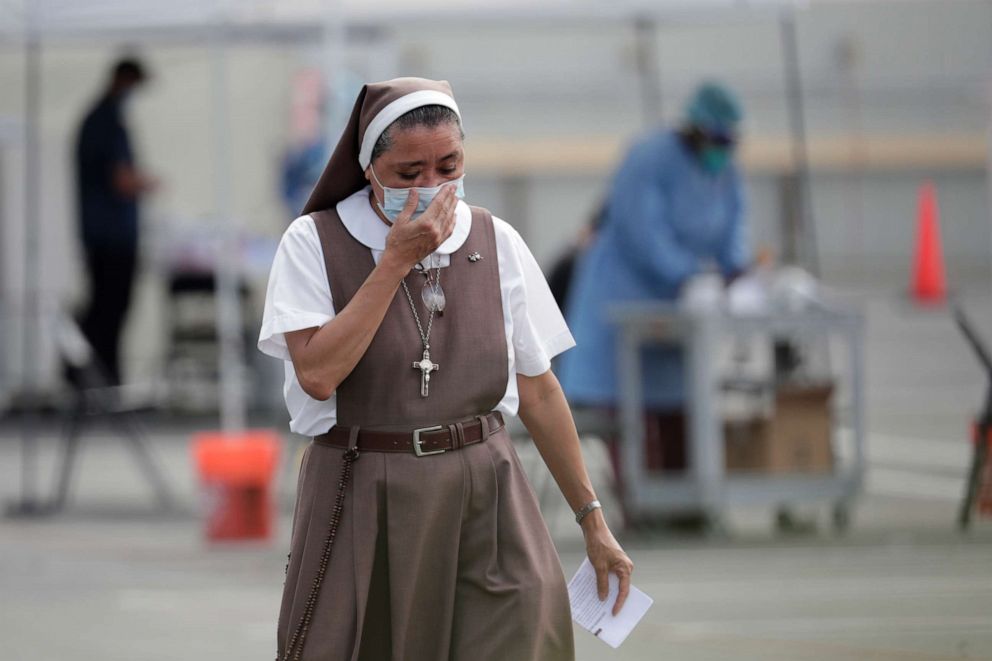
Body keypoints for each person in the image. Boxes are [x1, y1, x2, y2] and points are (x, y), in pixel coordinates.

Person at [258, 78, 633, 660]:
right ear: (369, 170)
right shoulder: (314, 242)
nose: (431, 187)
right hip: (369, 488)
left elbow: (537, 391)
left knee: (522, 633)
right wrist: (395, 262)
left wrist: (593, 522)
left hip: (489, 490)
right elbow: (318, 373)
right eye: (408, 173)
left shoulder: (495, 240)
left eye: (448, 165)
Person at [559, 82, 749, 478]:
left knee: (681, 407)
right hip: (624, 295)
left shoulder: (724, 169)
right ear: (694, 129)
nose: (720, 149)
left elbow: (733, 224)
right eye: (715, 138)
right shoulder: (649, 157)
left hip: (680, 308)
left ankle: (686, 505)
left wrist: (735, 274)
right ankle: (641, 508)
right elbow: (641, 230)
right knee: (627, 411)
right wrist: (687, 274)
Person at [73, 57, 157, 385]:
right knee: (108, 312)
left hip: (107, 235)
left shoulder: (103, 119)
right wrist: (145, 183)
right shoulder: (104, 122)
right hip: (110, 238)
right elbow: (120, 179)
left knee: (106, 311)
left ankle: (97, 379)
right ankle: (97, 379)